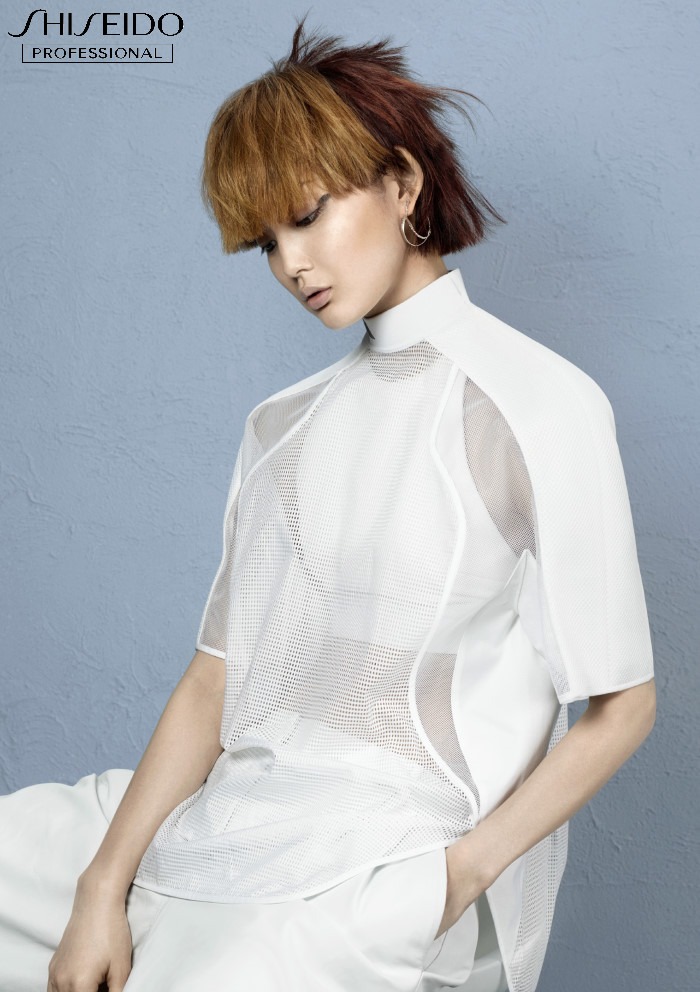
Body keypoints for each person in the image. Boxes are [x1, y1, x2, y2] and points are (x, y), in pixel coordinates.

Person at [0, 15, 656, 992]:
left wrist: (451, 880)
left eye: (307, 215)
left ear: (403, 183)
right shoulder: (282, 425)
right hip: (242, 805)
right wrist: (101, 884)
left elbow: (624, 704)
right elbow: (216, 680)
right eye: (265, 242)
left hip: (387, 853)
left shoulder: (538, 401)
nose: (291, 264)